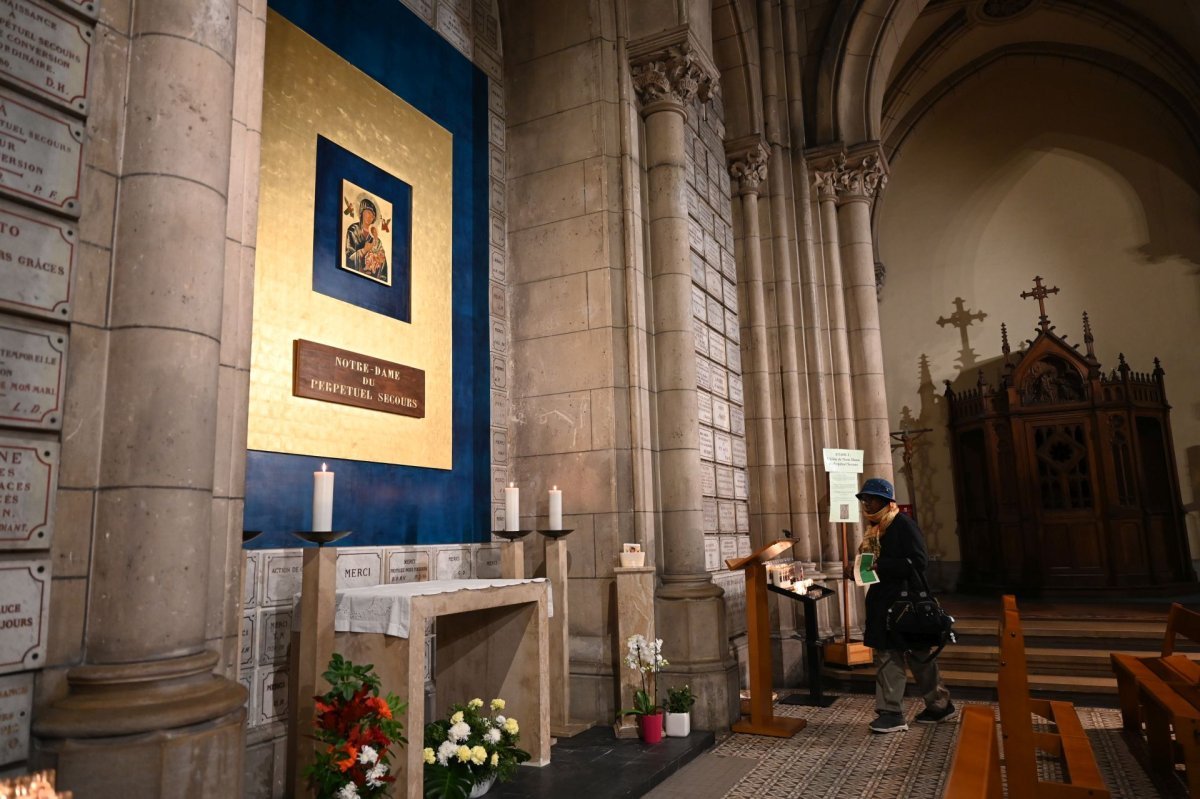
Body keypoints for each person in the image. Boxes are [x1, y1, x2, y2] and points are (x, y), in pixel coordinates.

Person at [857, 477, 954, 733]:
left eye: (871, 498)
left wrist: (882, 566)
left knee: (916, 653)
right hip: (884, 600)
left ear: (886, 501)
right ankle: (936, 706)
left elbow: (918, 561)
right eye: (865, 499)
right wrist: (858, 570)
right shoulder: (875, 529)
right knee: (892, 652)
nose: (866, 503)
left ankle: (897, 713)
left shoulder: (901, 524)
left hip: (905, 602)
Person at [345, 197, 388, 281]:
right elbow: (348, 257)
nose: (371, 217)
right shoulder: (353, 230)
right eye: (368, 212)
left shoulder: (377, 241)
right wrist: (364, 250)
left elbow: (383, 267)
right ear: (362, 212)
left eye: (373, 215)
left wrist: (379, 260)